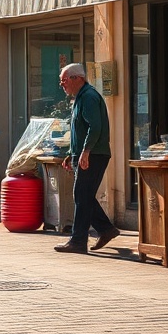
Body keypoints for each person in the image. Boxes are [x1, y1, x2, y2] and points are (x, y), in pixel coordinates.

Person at [55, 63, 119, 254]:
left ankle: (78, 240)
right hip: (86, 153)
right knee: (83, 196)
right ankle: (106, 229)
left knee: (82, 195)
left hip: (94, 155)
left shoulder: (89, 97)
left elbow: (95, 127)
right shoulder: (81, 97)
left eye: (64, 80)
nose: (62, 84)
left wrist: (85, 152)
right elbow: (80, 130)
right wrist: (72, 153)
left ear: (78, 78)